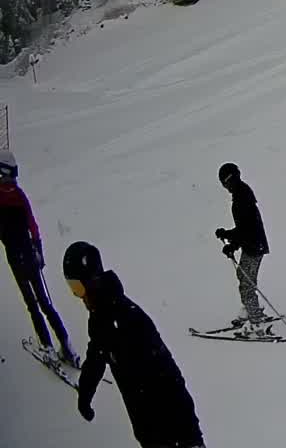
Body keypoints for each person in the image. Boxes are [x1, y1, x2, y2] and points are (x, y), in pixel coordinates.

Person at [63, 241, 204, 448]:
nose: (79, 296)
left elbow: (169, 377)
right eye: (72, 289)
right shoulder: (99, 317)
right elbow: (96, 356)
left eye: (78, 287)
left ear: (92, 280)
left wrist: (189, 436)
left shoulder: (128, 318)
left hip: (171, 423)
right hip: (146, 424)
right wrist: (85, 394)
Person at [0, 150, 78, 366]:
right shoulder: (19, 195)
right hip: (30, 255)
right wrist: (39, 250)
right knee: (45, 302)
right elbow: (32, 224)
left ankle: (49, 347)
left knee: (32, 304)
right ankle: (66, 344)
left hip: (16, 258)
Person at [213, 162, 269, 329]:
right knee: (244, 277)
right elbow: (244, 228)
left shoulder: (241, 199)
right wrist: (228, 235)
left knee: (246, 283)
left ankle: (256, 323)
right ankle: (253, 312)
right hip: (254, 244)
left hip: (253, 246)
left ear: (229, 180)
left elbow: (246, 229)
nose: (225, 187)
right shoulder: (241, 194)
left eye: (224, 183)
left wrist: (232, 244)